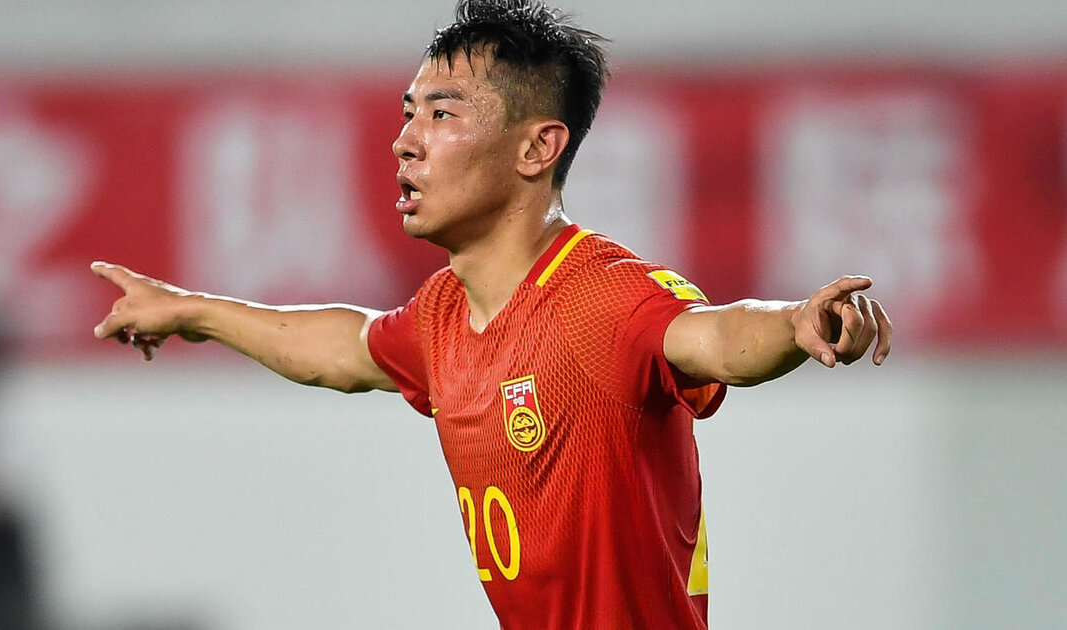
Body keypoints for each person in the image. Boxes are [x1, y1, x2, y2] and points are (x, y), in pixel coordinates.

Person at [91, 1, 892, 628]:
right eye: (408, 112)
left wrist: (795, 324)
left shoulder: (600, 297)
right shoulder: (442, 314)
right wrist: (192, 311)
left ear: (536, 148)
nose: (406, 141)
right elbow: (342, 348)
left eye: (441, 115)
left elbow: (714, 336)